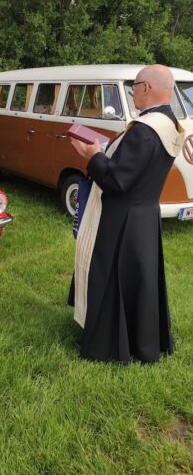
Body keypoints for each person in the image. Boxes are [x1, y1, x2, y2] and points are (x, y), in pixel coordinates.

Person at [68, 64, 185, 364]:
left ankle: (105, 346)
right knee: (140, 282)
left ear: (146, 88)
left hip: (122, 217)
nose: (133, 94)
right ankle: (141, 341)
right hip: (144, 214)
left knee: (110, 278)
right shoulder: (169, 122)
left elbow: (117, 181)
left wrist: (93, 156)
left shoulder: (145, 130)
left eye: (135, 88)